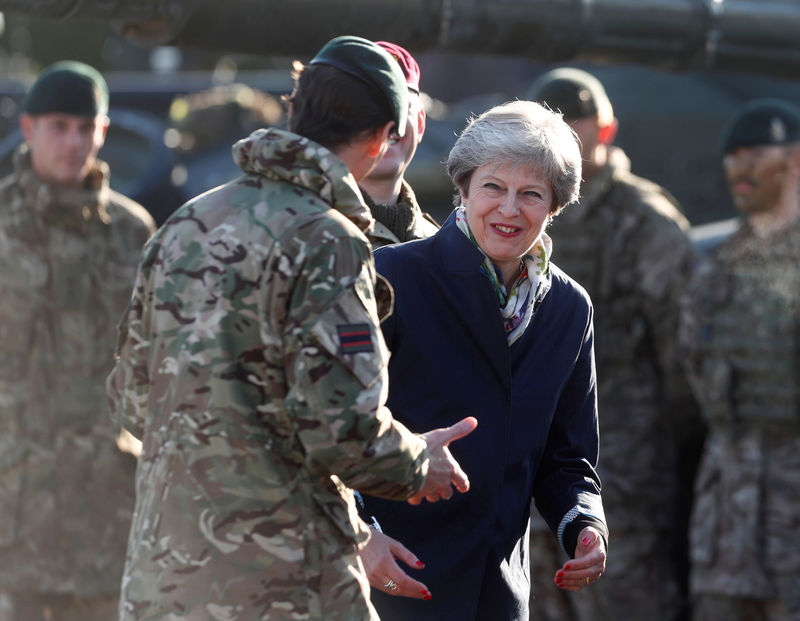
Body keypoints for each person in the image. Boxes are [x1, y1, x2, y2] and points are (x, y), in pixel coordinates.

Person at [106, 35, 476, 621]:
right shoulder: (326, 239)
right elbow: (344, 429)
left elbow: (129, 397)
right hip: (284, 581)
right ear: (382, 133)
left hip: (168, 573)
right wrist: (416, 462)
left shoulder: (186, 223)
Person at [359, 100, 608, 621]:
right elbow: (331, 429)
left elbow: (569, 459)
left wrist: (585, 523)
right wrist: (360, 537)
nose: (509, 210)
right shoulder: (390, 277)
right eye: (493, 187)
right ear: (465, 188)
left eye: (532, 195)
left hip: (496, 596)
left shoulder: (568, 309)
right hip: (386, 586)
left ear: (555, 205)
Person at [527, 67, 704, 621]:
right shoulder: (516, 216)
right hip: (532, 480)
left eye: (577, 132)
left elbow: (687, 364)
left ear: (606, 132)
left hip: (622, 483)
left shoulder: (645, 223)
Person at [0, 61, 155, 621]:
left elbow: (156, 361)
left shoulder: (131, 231)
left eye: (85, 128)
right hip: (12, 510)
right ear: (28, 128)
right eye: (58, 126)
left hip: (108, 508)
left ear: (104, 132)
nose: (73, 142)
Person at [679, 98, 800, 621]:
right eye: (732, 156)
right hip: (726, 526)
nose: (739, 166)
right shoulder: (716, 269)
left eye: (755, 153)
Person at [358, 41, 439, 248]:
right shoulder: (307, 233)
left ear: (420, 123)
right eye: (371, 106)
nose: (388, 122)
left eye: (400, 106)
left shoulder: (442, 246)